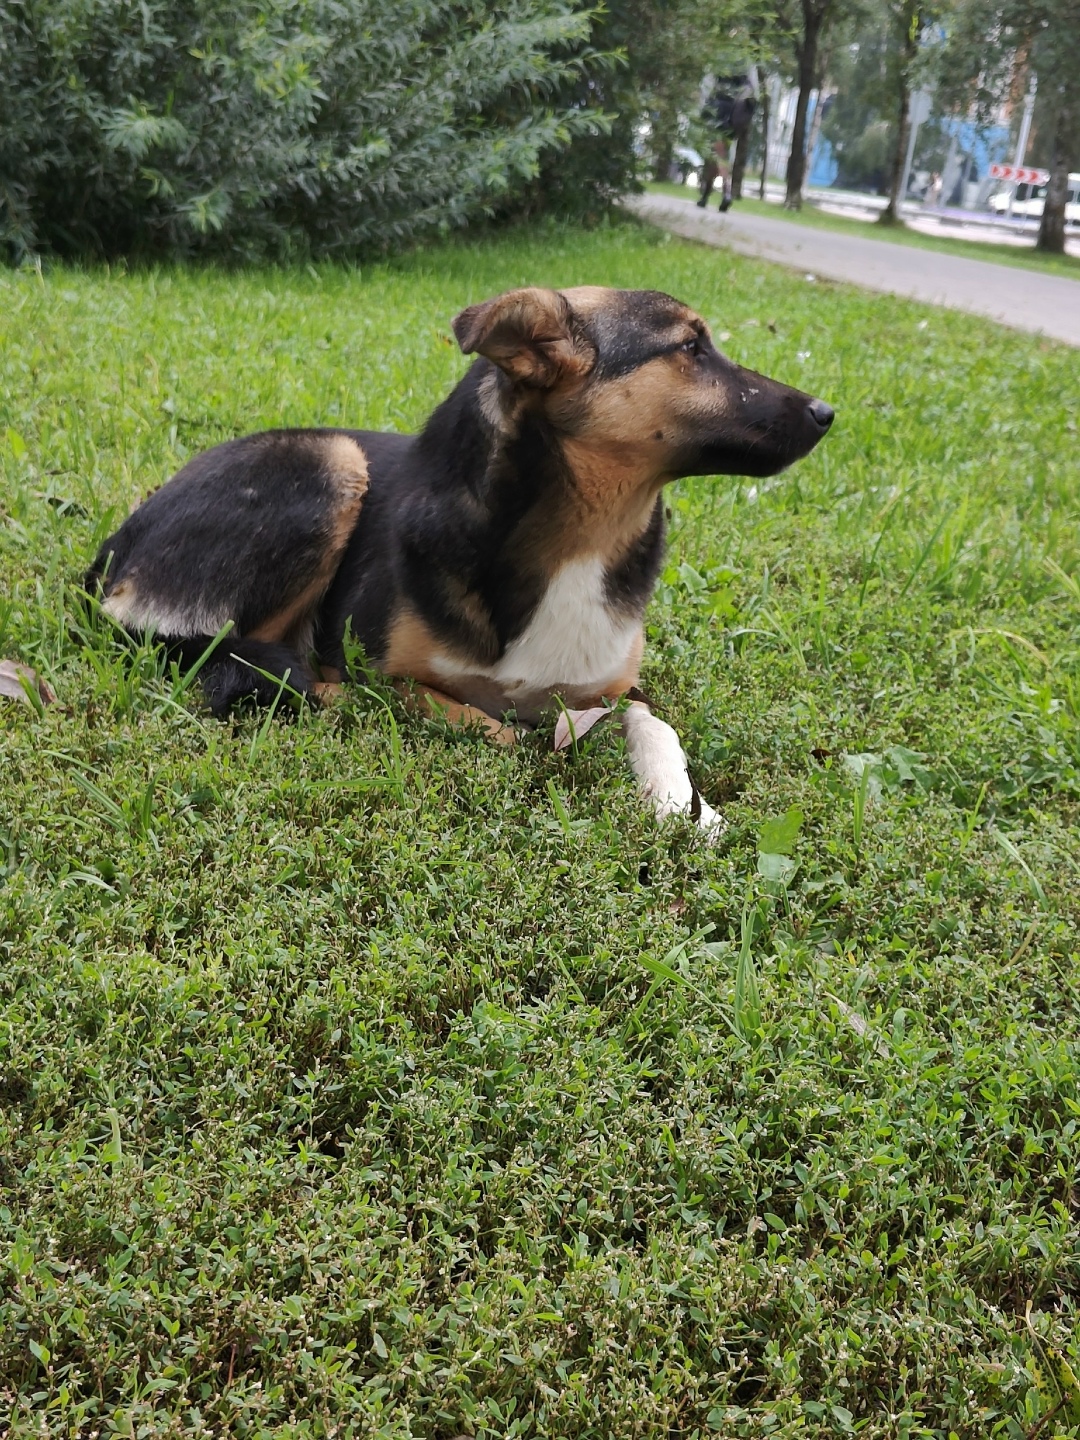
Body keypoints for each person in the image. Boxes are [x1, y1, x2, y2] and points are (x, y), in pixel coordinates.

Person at [696, 71, 758, 212]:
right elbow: (752, 90)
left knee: (718, 153)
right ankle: (705, 195)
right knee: (718, 153)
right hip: (735, 114)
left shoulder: (722, 55)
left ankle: (726, 191)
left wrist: (703, 107)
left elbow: (708, 83)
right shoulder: (746, 60)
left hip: (718, 109)